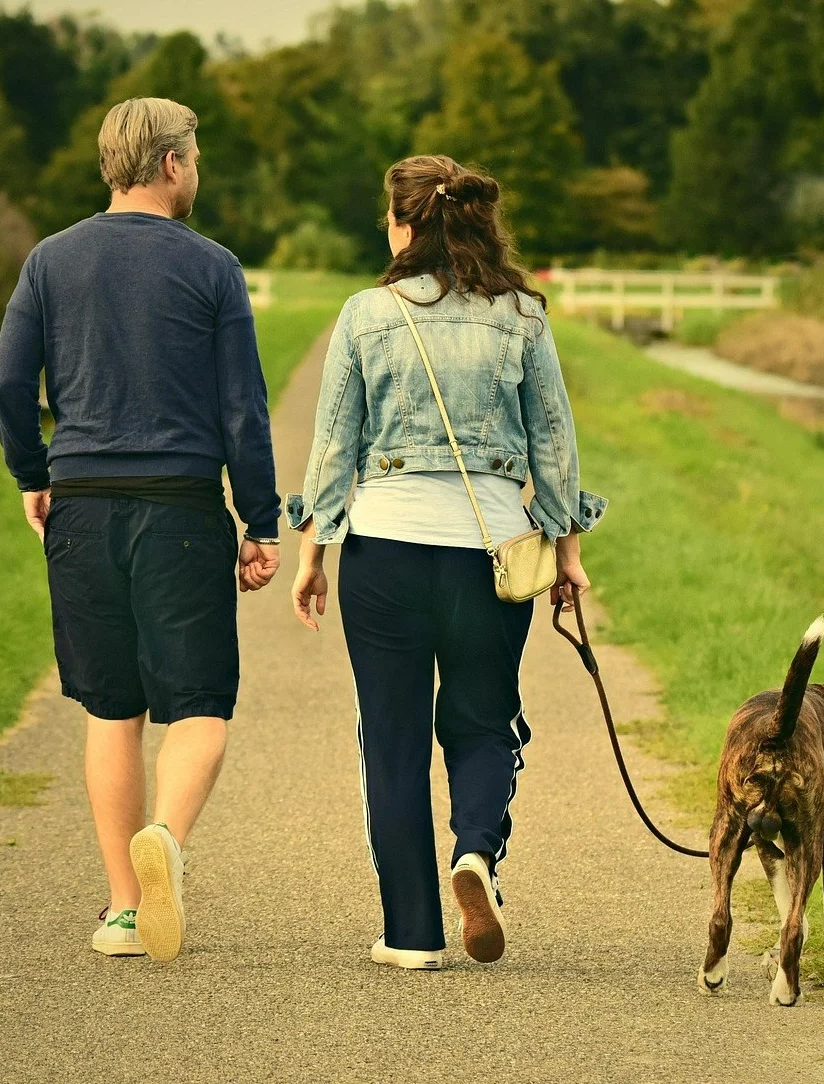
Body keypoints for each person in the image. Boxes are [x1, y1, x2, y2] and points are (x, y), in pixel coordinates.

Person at [288, 155, 606, 969]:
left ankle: (411, 936)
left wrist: (312, 554)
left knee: (390, 739)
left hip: (383, 550)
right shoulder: (523, 317)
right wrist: (566, 553)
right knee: (481, 720)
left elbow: (334, 448)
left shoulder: (365, 314)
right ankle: (475, 852)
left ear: (405, 224)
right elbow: (555, 446)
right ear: (473, 221)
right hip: (490, 554)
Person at [0, 97, 281, 962]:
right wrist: (259, 522)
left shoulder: (49, 261)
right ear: (167, 165)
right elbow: (243, 410)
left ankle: (123, 906)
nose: (196, 172)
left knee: (111, 709)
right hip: (180, 509)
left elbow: (10, 386)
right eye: (193, 158)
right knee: (197, 706)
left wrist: (32, 476)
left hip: (81, 503)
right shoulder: (212, 268)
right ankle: (166, 837)